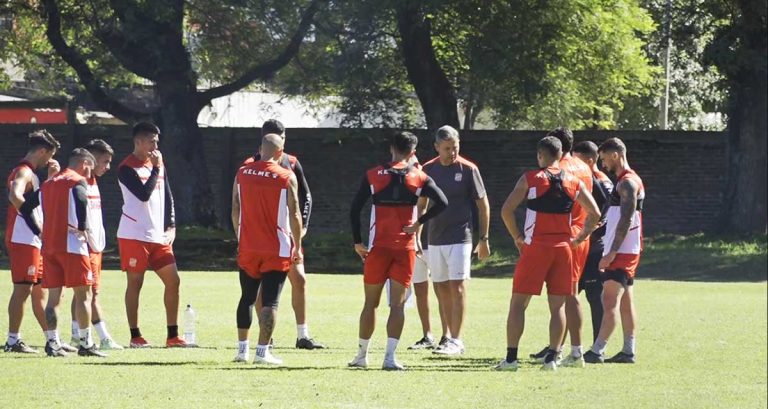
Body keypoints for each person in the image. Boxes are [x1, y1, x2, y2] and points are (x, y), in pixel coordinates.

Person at [496, 136, 599, 371]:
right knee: (558, 306)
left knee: (518, 304)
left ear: (540, 156)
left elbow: (506, 210)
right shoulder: (573, 181)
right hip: (564, 249)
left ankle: (511, 359)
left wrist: (517, 237)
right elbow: (594, 213)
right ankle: (553, 358)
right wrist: (580, 238)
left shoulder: (531, 179)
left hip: (536, 248)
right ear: (561, 155)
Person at [348, 131, 448, 370]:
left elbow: (354, 209)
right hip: (405, 248)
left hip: (378, 247)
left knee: (370, 303)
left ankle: (362, 356)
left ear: (391, 148)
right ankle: (390, 358)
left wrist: (357, 241)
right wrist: (418, 223)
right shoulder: (420, 177)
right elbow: (443, 202)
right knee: (398, 305)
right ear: (413, 152)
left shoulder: (373, 174)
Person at [239, 119, 323, 350]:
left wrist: (302, 227)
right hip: (259, 237)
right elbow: (239, 202)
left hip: (287, 233)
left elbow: (305, 197)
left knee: (300, 279)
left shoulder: (292, 162)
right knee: (260, 289)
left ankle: (302, 335)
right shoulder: (249, 165)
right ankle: (266, 338)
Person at [417, 125, 491, 356]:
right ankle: (447, 335)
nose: (452, 152)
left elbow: (483, 205)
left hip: (461, 237)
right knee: (440, 288)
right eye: (447, 148)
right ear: (437, 147)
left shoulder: (469, 169)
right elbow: (422, 205)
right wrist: (417, 233)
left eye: (455, 147)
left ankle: (457, 340)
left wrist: (484, 238)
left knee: (457, 287)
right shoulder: (427, 169)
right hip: (434, 239)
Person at [231, 133, 304, 365]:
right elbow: (294, 214)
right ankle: (262, 353)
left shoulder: (243, 172)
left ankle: (242, 351)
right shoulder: (286, 176)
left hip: (249, 246)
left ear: (260, 148)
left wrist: (240, 237)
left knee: (247, 297)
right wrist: (298, 246)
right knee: (270, 301)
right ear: (280, 152)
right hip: (276, 247)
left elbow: (235, 208)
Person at [117, 122, 187, 348]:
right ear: (138, 141)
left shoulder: (158, 162)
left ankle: (172, 336)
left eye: (157, 141)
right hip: (134, 234)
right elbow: (143, 195)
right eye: (152, 141)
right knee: (136, 283)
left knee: (173, 281)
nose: (156, 145)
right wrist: (156, 168)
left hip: (158, 235)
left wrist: (172, 225)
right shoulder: (126, 168)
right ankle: (135, 335)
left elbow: (167, 195)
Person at [530, 127, 594, 367]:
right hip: (581, 234)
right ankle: (568, 348)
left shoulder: (561, 171)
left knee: (564, 296)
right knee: (570, 293)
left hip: (564, 236)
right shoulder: (584, 166)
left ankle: (566, 351)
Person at [584, 137, 645, 364]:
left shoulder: (627, 182)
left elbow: (627, 219)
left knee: (608, 301)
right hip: (627, 249)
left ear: (615, 155)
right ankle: (628, 351)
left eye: (604, 159)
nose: (603, 165)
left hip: (622, 252)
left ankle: (597, 351)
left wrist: (611, 253)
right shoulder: (626, 180)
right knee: (625, 301)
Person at [40, 148, 106, 357]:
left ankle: (52, 343)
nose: (90, 174)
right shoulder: (77, 180)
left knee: (53, 298)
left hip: (49, 246)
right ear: (85, 163)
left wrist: (38, 229)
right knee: (83, 295)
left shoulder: (48, 182)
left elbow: (27, 206)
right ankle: (86, 344)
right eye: (90, 168)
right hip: (72, 245)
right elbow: (81, 200)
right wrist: (84, 227)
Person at [4, 130, 60, 353]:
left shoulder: (34, 174)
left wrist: (49, 180)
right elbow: (15, 196)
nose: (49, 160)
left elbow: (33, 201)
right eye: (49, 155)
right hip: (22, 238)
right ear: (42, 151)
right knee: (23, 289)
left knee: (39, 291)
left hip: (32, 240)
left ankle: (51, 339)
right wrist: (37, 228)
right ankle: (12, 340)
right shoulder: (24, 171)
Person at [67, 139, 123, 350]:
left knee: (82, 293)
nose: (108, 167)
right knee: (90, 293)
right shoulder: (77, 181)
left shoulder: (92, 181)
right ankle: (103, 337)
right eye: (105, 161)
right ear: (89, 159)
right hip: (85, 246)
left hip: (95, 246)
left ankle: (75, 333)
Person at [572, 141, 614, 343]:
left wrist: (594, 230)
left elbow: (608, 208)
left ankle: (598, 345)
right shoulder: (581, 179)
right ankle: (557, 346)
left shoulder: (601, 181)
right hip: (581, 246)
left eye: (576, 160)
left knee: (594, 297)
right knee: (567, 295)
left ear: (590, 160)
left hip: (595, 247)